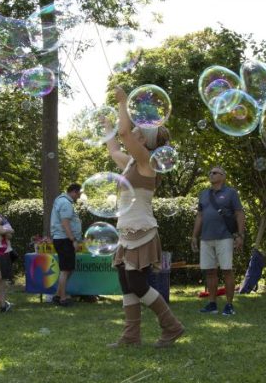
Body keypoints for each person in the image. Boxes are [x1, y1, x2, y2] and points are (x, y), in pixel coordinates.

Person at [105, 85, 185, 348]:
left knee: (138, 284)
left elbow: (125, 133)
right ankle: (131, 336)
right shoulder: (131, 162)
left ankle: (171, 326)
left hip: (141, 231)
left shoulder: (146, 161)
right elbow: (115, 148)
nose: (134, 130)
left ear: (144, 140)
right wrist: (108, 128)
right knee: (126, 284)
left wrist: (123, 101)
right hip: (126, 231)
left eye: (139, 129)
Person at [191, 166, 246, 315]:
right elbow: (200, 216)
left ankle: (229, 305)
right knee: (210, 272)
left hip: (225, 237)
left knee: (227, 270)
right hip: (206, 238)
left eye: (215, 173)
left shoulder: (231, 193)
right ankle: (212, 303)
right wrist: (194, 236)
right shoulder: (203, 194)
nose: (211, 174)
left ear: (223, 176)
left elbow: (239, 213)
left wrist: (240, 235)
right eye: (210, 172)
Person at [49, 182, 82, 306]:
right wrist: (73, 240)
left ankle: (57, 295)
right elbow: (65, 223)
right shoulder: (65, 203)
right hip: (65, 240)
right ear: (74, 191)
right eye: (78, 194)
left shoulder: (62, 201)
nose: (79, 197)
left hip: (63, 239)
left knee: (68, 269)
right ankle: (63, 299)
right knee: (65, 270)